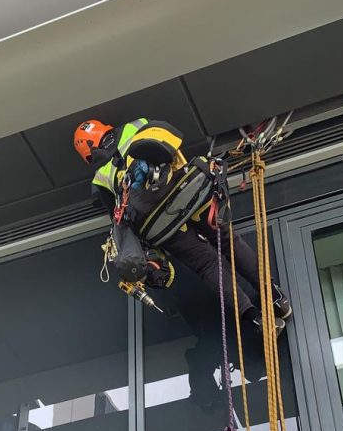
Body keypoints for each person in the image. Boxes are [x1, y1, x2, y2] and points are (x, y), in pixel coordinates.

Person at [73, 117, 292, 339]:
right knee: (227, 240)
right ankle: (274, 296)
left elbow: (119, 221)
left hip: (157, 224)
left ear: (87, 155)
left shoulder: (99, 179)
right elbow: (169, 140)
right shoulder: (136, 125)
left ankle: (255, 318)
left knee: (207, 265)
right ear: (105, 128)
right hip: (185, 189)